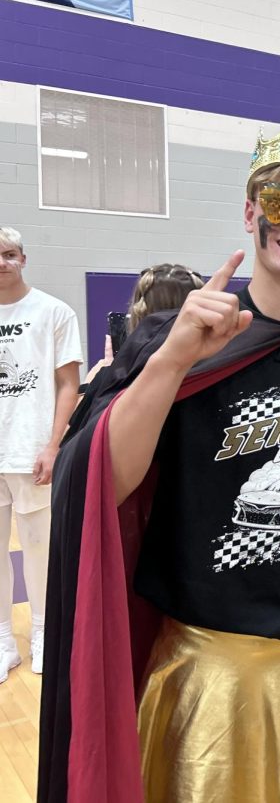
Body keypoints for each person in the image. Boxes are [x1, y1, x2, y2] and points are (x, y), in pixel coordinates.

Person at [39, 111, 280, 803]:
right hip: (209, 666)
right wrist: (170, 362)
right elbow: (103, 482)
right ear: (251, 212)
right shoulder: (182, 339)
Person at [0, 227, 81, 682]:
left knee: (38, 553)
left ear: (24, 259)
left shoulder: (53, 312)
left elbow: (69, 384)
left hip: (32, 453)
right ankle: (3, 642)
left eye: (9, 254)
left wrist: (53, 445)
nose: (2, 262)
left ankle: (45, 635)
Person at [79, 263, 205, 394]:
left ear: (139, 315)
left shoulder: (126, 379)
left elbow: (86, 414)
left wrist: (93, 383)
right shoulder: (215, 366)